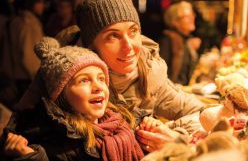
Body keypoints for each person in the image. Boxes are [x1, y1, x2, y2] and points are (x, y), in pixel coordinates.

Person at [17, 0, 206, 152]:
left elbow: (202, 113)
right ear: (91, 45)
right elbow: (17, 131)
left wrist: (175, 136)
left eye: (133, 31)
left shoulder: (148, 74)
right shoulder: (59, 73)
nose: (129, 47)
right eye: (113, 36)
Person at [1, 37, 144, 160]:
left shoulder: (124, 120)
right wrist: (31, 158)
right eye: (84, 81)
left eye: (101, 79)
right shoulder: (55, 141)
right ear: (61, 93)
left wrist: (150, 129)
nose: (98, 87)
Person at [8, 0, 45, 100]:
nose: (43, 6)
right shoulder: (29, 24)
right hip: (27, 79)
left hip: (16, 76)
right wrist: (37, 79)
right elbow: (28, 55)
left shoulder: (17, 20)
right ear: (34, 4)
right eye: (41, 2)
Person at [159, 1, 201, 85]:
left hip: (186, 90)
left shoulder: (188, 40)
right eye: (187, 16)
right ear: (175, 21)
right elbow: (161, 74)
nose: (192, 18)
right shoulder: (168, 40)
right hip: (173, 92)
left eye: (192, 14)